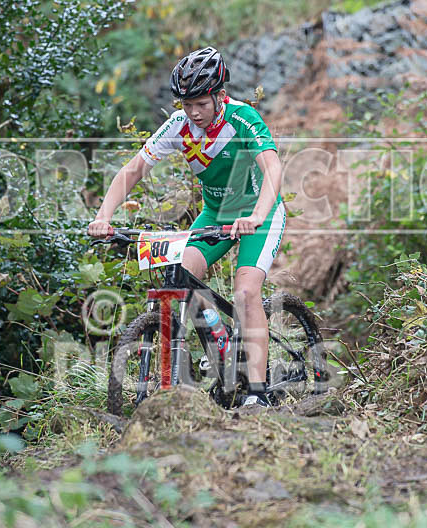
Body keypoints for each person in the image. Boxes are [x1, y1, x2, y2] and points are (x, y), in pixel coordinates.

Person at [88, 46, 285, 407]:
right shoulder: (179, 126)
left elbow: (272, 169)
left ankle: (259, 393)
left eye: (201, 104)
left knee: (245, 293)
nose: (193, 113)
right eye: (186, 104)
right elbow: (132, 171)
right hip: (215, 215)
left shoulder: (244, 119)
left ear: (220, 96)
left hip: (261, 213)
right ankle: (218, 350)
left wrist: (256, 216)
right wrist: (103, 217)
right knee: (181, 275)